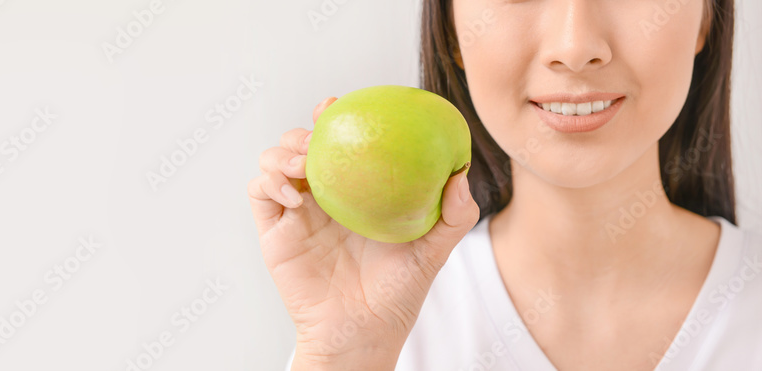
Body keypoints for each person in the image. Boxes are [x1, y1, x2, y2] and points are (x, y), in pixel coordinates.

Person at [247, 0, 761, 369]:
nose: (575, 47)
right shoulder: (383, 321)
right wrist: (347, 353)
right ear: (450, 27)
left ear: (707, 17)